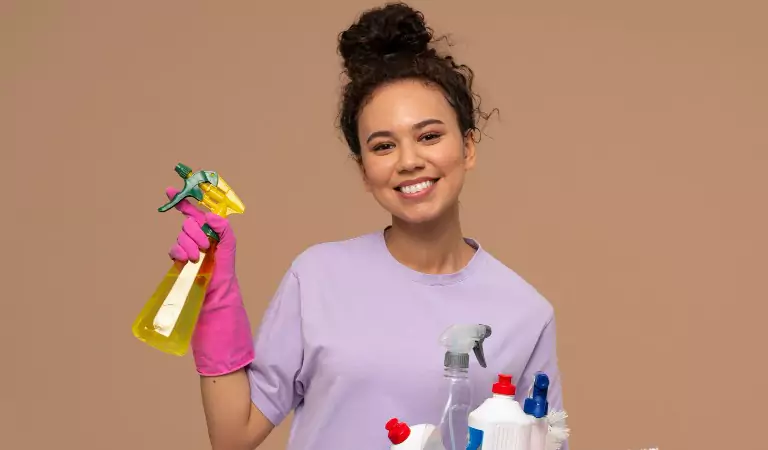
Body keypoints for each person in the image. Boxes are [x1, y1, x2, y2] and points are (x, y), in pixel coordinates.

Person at [165, 2, 568, 449]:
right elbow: (232, 436)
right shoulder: (317, 278)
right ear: (363, 170)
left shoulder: (525, 313)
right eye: (383, 146)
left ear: (468, 147)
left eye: (429, 136)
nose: (409, 161)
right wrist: (214, 294)